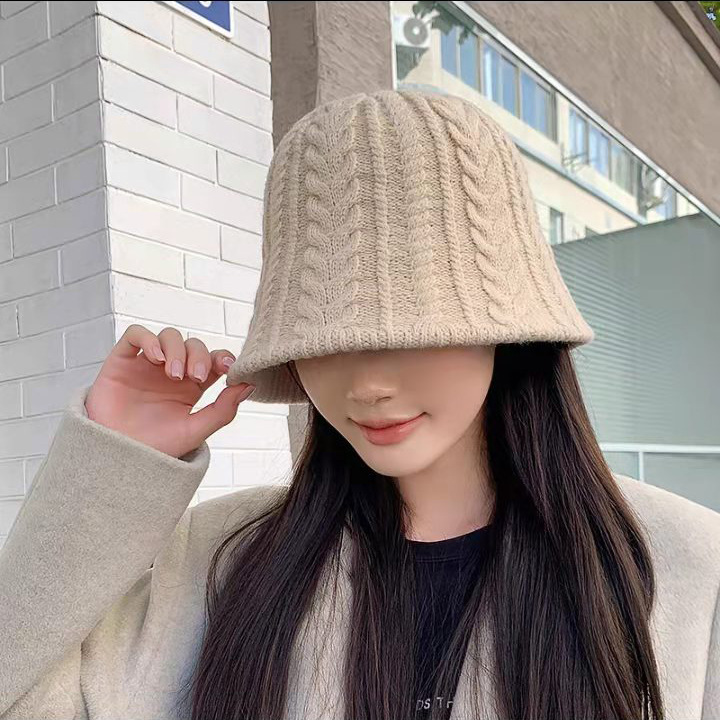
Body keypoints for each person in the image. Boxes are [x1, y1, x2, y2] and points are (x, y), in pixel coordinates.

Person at [0, 89, 718, 720]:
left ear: (506, 330)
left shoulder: (686, 563)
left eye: (415, 328)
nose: (367, 383)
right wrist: (113, 468)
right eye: (324, 338)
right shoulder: (220, 557)